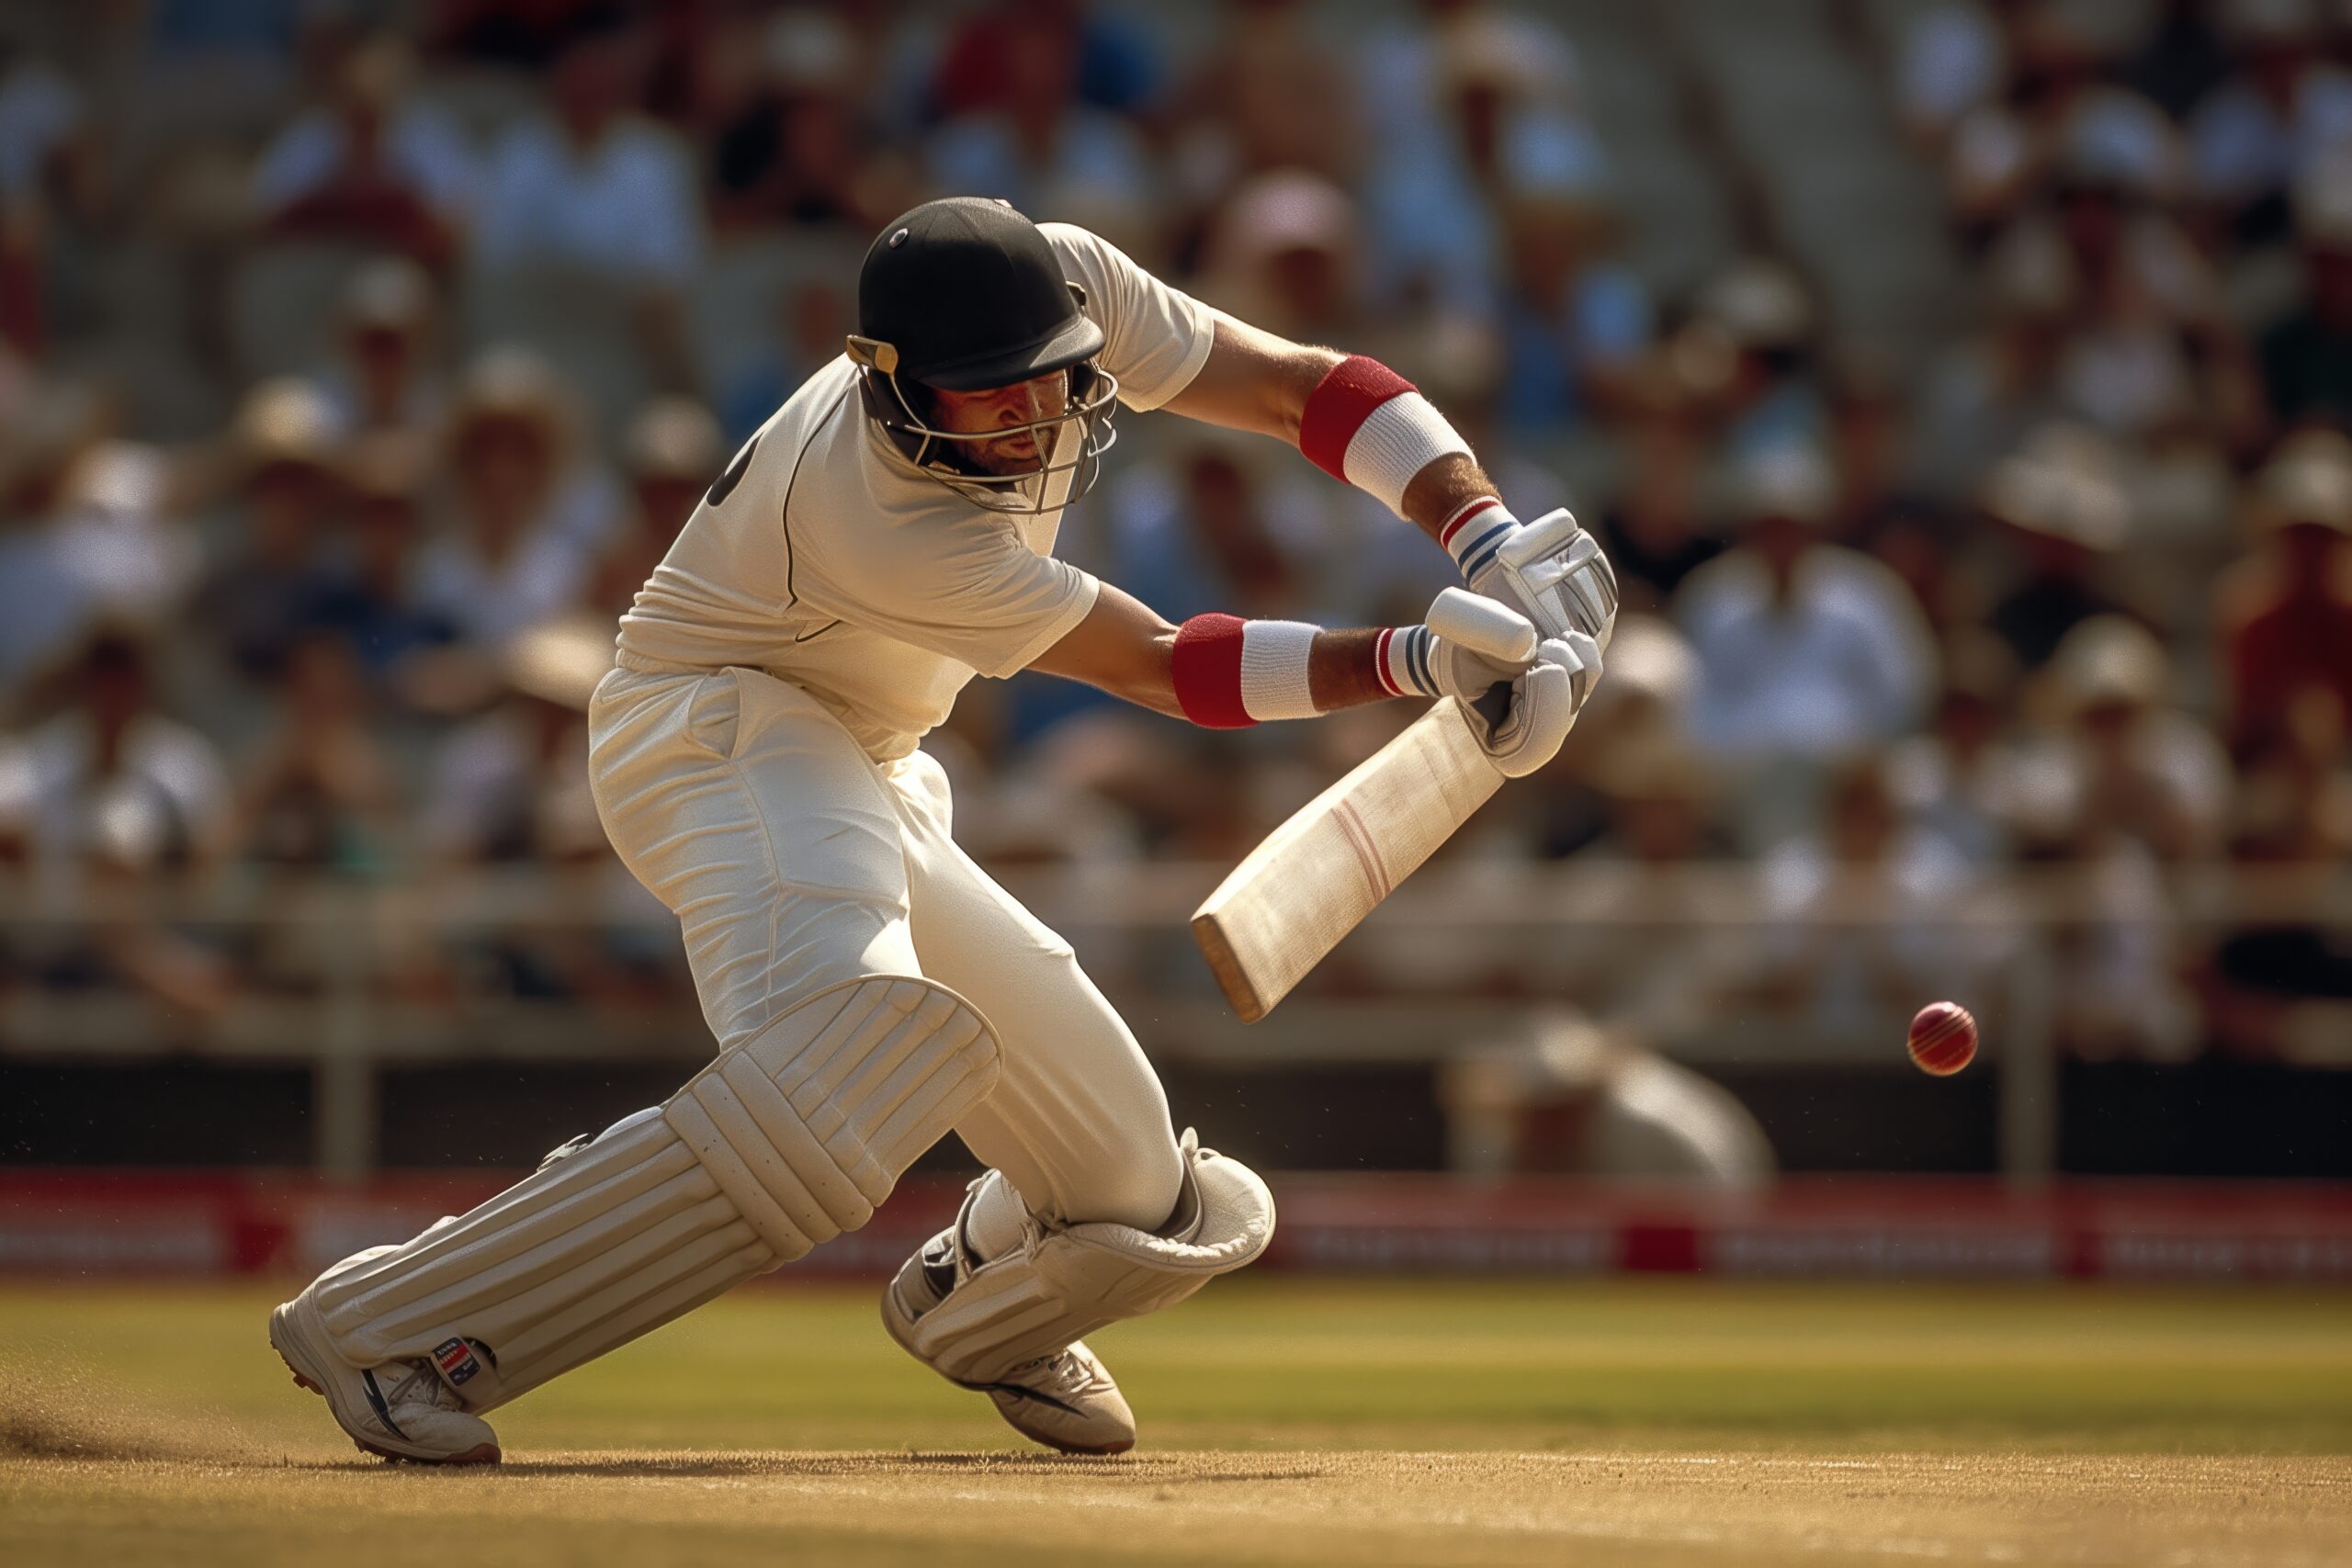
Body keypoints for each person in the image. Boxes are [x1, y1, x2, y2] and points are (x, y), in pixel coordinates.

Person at [267, 197, 1616, 1464]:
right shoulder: (876, 515)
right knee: (837, 1071)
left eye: (1049, 381)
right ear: (895, 389)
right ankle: (394, 1332)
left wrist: (1484, 536)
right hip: (713, 728)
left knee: (1128, 1185)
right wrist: (1416, 663)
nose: (1032, 418)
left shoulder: (1068, 282)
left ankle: (980, 1296)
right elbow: (1164, 666)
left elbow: (1300, 387)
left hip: (873, 761)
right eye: (989, 394)